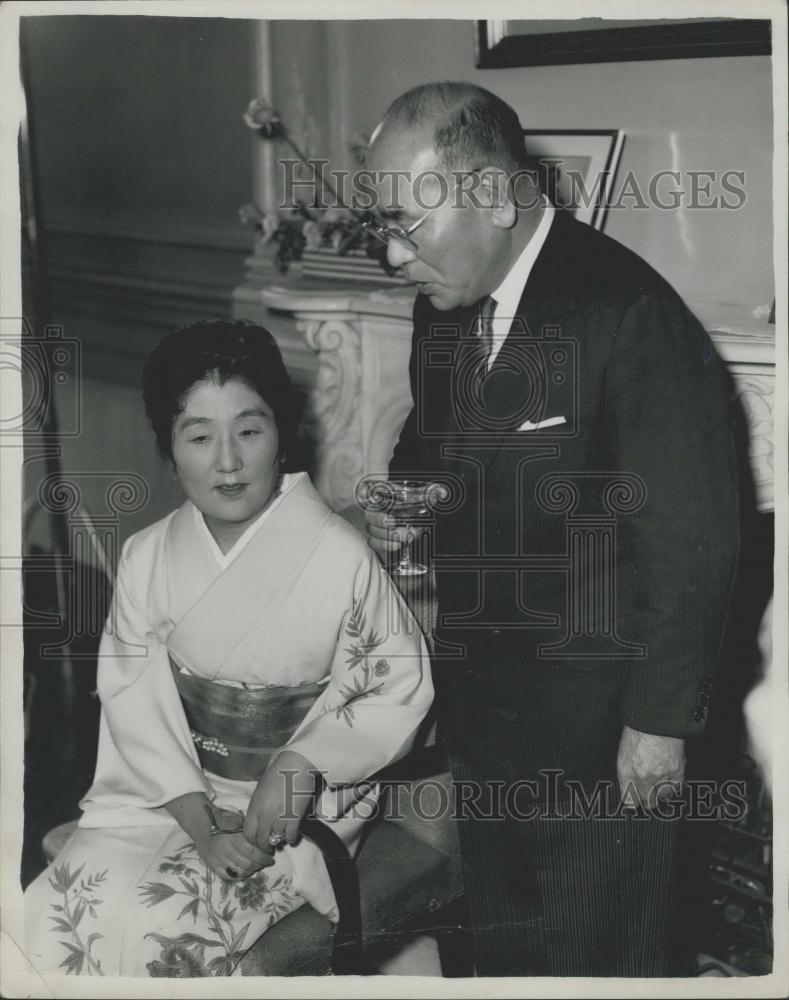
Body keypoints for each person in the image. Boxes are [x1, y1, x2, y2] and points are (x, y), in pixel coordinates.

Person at [364, 82, 740, 976]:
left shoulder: (627, 314)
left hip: (601, 743)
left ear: (493, 195)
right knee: (507, 963)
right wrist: (411, 497)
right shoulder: (445, 311)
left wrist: (657, 727)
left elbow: (693, 534)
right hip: (490, 719)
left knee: (601, 964)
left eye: (406, 228)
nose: (390, 253)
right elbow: (443, 446)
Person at [24, 320, 433, 978]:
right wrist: (200, 824)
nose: (227, 461)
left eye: (249, 430)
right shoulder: (148, 555)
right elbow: (133, 704)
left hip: (293, 813)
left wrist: (299, 763)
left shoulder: (337, 556)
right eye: (198, 435)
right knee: (53, 920)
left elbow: (396, 683)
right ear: (168, 447)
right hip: (170, 795)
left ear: (282, 433)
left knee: (170, 940)